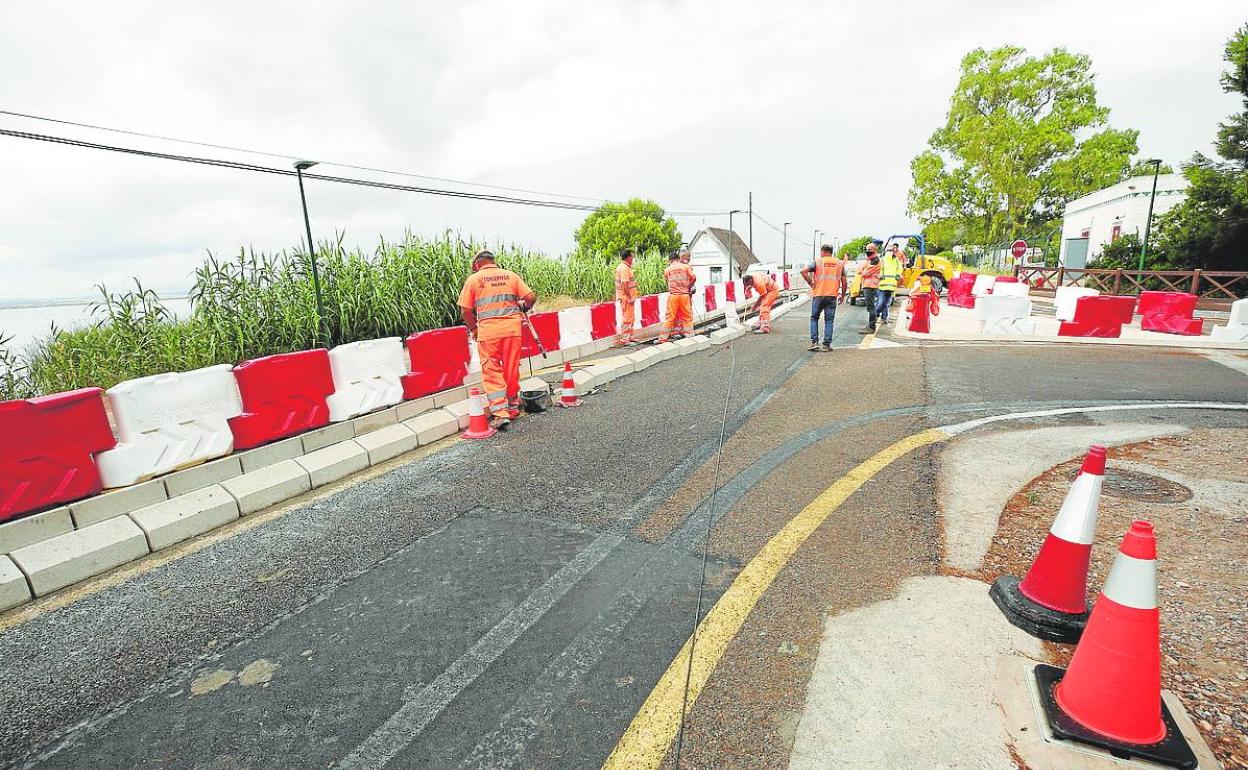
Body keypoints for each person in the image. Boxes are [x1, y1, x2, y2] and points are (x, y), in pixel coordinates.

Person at [458, 249, 536, 429]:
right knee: (511, 368)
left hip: (489, 333)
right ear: (493, 261)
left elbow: (465, 310)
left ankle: (500, 414)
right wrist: (523, 306)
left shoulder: (474, 280)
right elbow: (530, 297)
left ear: (477, 264)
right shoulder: (510, 276)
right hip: (512, 330)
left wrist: (474, 329)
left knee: (492, 370)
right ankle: (512, 406)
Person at [800, 244, 847, 351]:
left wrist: (810, 282)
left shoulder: (818, 262)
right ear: (831, 252)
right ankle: (826, 345)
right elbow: (844, 282)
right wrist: (843, 296)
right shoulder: (840, 264)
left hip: (818, 295)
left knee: (814, 318)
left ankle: (815, 342)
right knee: (829, 320)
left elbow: (803, 271)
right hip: (832, 296)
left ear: (822, 252)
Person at [658, 251, 696, 342]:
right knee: (687, 316)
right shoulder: (686, 267)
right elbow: (694, 277)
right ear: (678, 258)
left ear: (669, 260)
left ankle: (663, 338)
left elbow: (667, 281)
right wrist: (689, 286)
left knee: (670, 317)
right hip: (684, 295)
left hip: (673, 296)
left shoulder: (667, 270)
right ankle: (690, 336)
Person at [876, 243, 904, 326]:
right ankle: (875, 314)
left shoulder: (896, 261)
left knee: (887, 303)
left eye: (892, 250)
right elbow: (878, 270)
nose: (890, 252)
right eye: (889, 250)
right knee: (881, 303)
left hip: (892, 286)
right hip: (882, 286)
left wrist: (898, 274)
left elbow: (900, 269)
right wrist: (879, 275)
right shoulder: (882, 260)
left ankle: (884, 318)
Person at [614, 249, 638, 345]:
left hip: (626, 297)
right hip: (626, 297)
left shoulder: (624, 267)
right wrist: (629, 297)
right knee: (627, 318)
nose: (633, 259)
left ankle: (629, 337)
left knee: (630, 318)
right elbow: (624, 284)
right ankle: (624, 339)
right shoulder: (624, 268)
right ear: (628, 257)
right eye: (632, 257)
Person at [857, 248, 882, 333]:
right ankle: (871, 325)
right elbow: (859, 270)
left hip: (870, 286)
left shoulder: (875, 261)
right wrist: (865, 266)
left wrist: (865, 269)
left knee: (871, 308)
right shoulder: (870, 261)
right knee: (871, 307)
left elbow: (864, 273)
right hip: (869, 285)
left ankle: (871, 327)